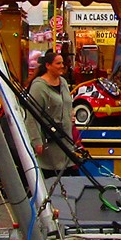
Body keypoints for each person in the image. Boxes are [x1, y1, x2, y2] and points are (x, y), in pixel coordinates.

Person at [23, 49, 81, 177]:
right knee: (52, 176)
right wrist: (36, 141)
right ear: (48, 66)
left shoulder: (63, 82)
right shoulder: (38, 87)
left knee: (72, 176)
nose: (62, 66)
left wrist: (71, 115)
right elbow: (32, 116)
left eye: (62, 63)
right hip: (49, 142)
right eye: (58, 63)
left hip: (66, 141)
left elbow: (67, 104)